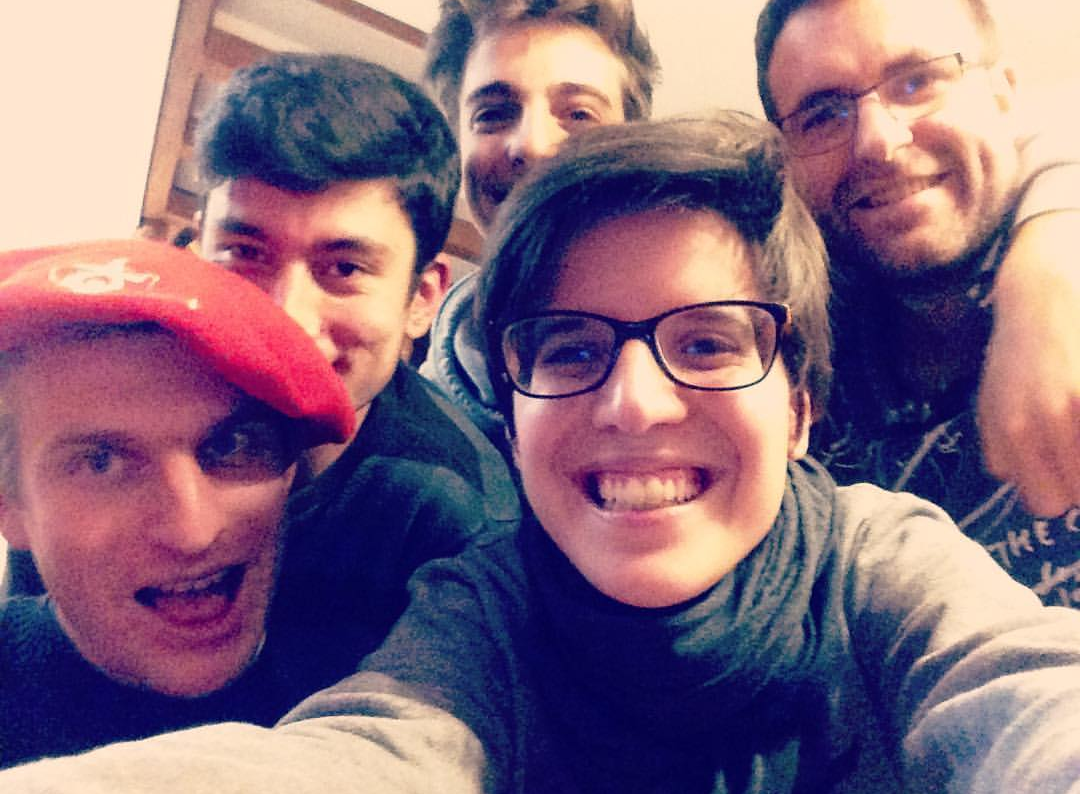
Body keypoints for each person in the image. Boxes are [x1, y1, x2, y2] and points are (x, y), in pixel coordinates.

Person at [10, 114, 1080, 793]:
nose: (636, 403)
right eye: (569, 348)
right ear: (510, 416)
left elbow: (1026, 696)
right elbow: (363, 756)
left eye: (707, 343)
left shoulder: (882, 566)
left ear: (798, 407)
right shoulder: (486, 609)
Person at [6, 55, 521, 643]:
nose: (286, 318)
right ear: (198, 250)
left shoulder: (456, 519)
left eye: (344, 269)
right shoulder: (88, 408)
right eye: (246, 254)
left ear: (422, 298)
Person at [755, 0, 1080, 606]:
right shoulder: (793, 352)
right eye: (824, 114)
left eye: (917, 82)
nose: (878, 141)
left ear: (1004, 94)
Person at [0, 238, 359, 766]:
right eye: (101, 462)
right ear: (9, 505)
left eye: (231, 445)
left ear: (289, 471)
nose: (193, 532)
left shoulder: (383, 678)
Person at [420, 0, 660, 456]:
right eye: (493, 114)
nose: (532, 144)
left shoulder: (720, 362)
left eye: (578, 114)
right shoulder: (407, 439)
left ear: (634, 145)